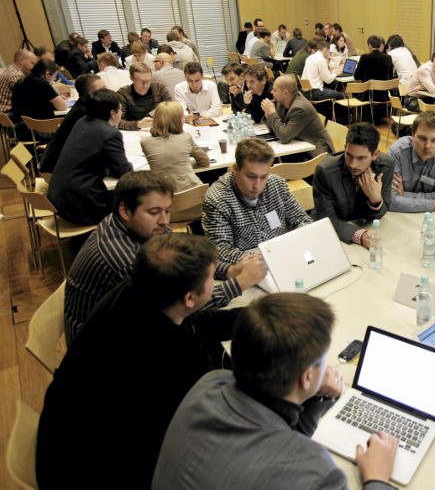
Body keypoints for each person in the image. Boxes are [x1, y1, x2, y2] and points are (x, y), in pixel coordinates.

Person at [36, 234, 243, 490]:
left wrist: (253, 317)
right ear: (190, 297)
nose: (216, 283)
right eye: (213, 278)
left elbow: (195, 323)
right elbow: (222, 412)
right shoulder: (176, 356)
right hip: (90, 473)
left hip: (66, 440)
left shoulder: (138, 292)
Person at [152, 293, 397, 490]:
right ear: (307, 376)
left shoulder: (209, 383)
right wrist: (376, 478)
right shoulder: (316, 474)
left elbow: (279, 433)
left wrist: (316, 394)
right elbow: (285, 450)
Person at [62, 171, 264, 345]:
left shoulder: (132, 225)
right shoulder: (126, 261)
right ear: (125, 210)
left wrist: (229, 270)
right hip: (109, 351)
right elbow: (180, 306)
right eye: (154, 212)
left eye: (168, 211)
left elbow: (186, 255)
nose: (165, 221)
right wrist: (239, 283)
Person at [202, 138, 311, 265]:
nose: (257, 185)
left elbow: (303, 221)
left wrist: (293, 245)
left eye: (264, 177)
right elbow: (221, 252)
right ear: (235, 169)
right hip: (245, 269)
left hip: (282, 259)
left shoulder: (277, 185)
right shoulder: (217, 200)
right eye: (251, 177)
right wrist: (266, 259)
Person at [46, 89, 132, 225]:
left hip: (58, 199)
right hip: (81, 205)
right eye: (120, 110)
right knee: (133, 198)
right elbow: (124, 172)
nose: (122, 114)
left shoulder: (82, 122)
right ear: (113, 113)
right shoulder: (109, 133)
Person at [312, 122, 393, 247]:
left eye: (361, 158)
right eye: (349, 155)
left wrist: (375, 201)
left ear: (375, 155)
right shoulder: (326, 172)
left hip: (368, 230)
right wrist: (359, 235)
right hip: (336, 236)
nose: (353, 164)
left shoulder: (385, 166)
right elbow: (326, 219)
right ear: (345, 148)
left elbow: (384, 208)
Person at [388, 110, 435, 212]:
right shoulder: (397, 152)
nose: (427, 146)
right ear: (412, 135)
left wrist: (405, 195)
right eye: (422, 138)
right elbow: (390, 200)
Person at [39, 74, 105, 174]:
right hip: (58, 172)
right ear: (91, 94)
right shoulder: (85, 114)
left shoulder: (83, 106)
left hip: (58, 164)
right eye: (103, 89)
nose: (107, 91)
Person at [140, 101, 209, 191]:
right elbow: (205, 162)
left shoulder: (145, 142)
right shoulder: (185, 137)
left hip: (163, 197)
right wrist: (185, 165)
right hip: (194, 195)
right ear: (179, 120)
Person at [260, 75, 333, 158]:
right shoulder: (282, 103)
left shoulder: (300, 108)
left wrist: (272, 114)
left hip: (317, 151)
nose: (271, 92)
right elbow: (275, 130)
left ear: (285, 93)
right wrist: (268, 114)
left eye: (275, 90)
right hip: (299, 144)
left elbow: (284, 137)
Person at [10, 59, 68, 131]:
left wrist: (55, 98)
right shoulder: (42, 84)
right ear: (47, 74)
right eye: (54, 76)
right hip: (38, 130)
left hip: (20, 127)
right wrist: (57, 99)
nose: (54, 79)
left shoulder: (24, 80)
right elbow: (63, 107)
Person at [117, 61, 172, 130]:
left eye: (148, 81)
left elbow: (171, 110)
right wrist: (138, 124)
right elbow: (117, 121)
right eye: (141, 82)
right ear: (131, 78)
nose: (145, 85)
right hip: (133, 133)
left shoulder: (159, 88)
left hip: (158, 129)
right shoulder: (123, 93)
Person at [354, 35, 393, 120]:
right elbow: (390, 77)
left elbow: (357, 76)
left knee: (355, 92)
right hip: (383, 96)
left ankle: (357, 117)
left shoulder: (365, 57)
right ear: (380, 45)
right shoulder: (388, 58)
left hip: (367, 96)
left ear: (370, 45)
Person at [0, 49, 36, 114]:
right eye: (32, 63)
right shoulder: (16, 75)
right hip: (9, 113)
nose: (34, 67)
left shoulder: (11, 68)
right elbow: (29, 97)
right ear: (21, 61)